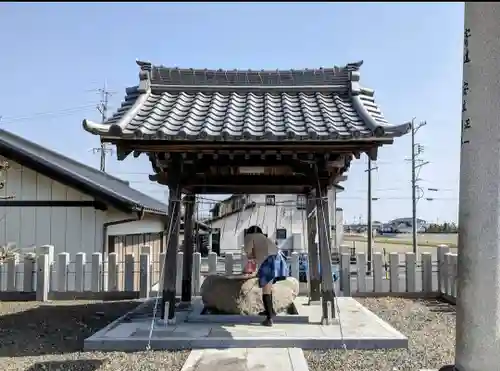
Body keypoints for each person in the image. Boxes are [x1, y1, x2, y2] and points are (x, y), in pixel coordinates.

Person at [243, 225, 289, 326]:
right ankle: (270, 311)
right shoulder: (264, 238)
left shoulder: (249, 237)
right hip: (279, 260)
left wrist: (251, 257)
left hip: (269, 261)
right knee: (269, 288)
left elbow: (248, 254)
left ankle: (269, 319)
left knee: (266, 291)